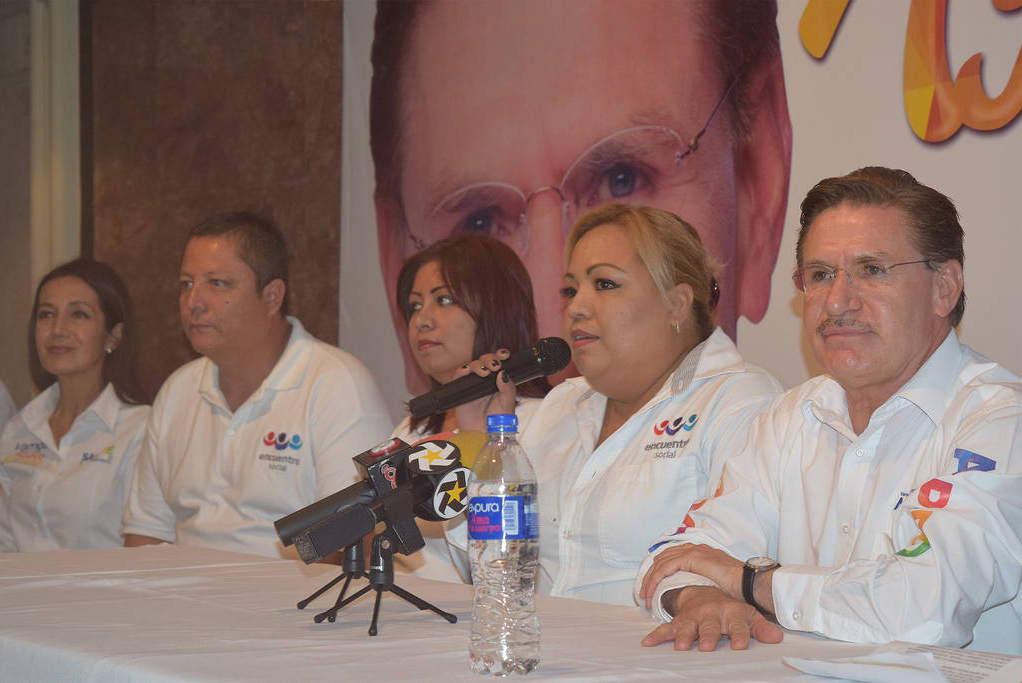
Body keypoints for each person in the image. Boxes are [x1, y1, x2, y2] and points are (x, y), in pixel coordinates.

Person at [636, 167, 1022, 656]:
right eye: (820, 275)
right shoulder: (790, 416)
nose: (838, 302)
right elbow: (679, 554)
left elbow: (924, 611)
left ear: (944, 288)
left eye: (872, 270)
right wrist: (700, 596)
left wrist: (749, 581)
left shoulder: (1000, 421)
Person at [370, 0, 793, 394]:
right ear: (392, 269)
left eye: (622, 180)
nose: (558, 321)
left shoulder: (756, 424)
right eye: (480, 223)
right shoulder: (546, 422)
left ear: (758, 177)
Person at [453, 204, 783, 605]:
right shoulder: (562, 403)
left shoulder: (739, 400)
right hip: (540, 637)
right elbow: (493, 565)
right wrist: (486, 442)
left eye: (605, 284)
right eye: (570, 290)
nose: (576, 307)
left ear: (677, 303)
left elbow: (732, 568)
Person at [122, 212, 393, 558]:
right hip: (184, 587)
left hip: (294, 591)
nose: (193, 303)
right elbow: (145, 534)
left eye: (217, 283)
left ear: (272, 296)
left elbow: (356, 542)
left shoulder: (336, 384)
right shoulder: (178, 390)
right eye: (186, 283)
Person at [392, 234, 551, 581]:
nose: (421, 320)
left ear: (496, 308)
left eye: (444, 299)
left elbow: (512, 564)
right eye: (415, 305)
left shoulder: (540, 422)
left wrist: (481, 437)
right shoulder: (413, 428)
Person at [0, 259, 149, 551]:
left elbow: (146, 546)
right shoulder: (19, 429)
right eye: (46, 314)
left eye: (79, 314)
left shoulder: (140, 430)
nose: (58, 329)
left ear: (114, 335)